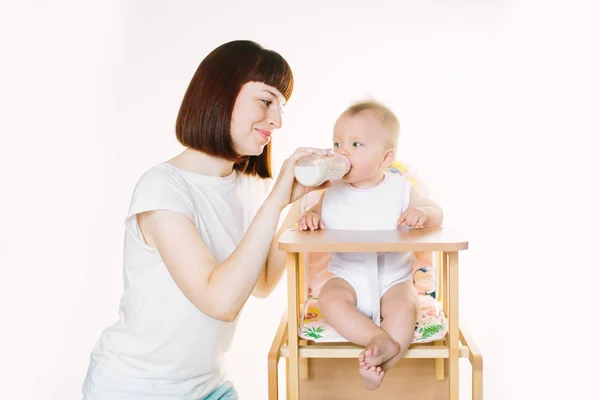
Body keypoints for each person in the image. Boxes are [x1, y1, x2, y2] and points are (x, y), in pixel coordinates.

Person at [82, 40, 330, 400]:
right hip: (134, 387)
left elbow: (260, 282)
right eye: (266, 101)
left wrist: (300, 200)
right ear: (222, 92)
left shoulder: (247, 186)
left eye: (281, 107)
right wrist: (276, 200)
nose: (277, 120)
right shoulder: (162, 189)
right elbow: (220, 301)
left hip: (207, 387)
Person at [297, 100, 444, 390]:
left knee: (406, 307)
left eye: (355, 144)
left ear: (386, 158)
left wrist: (423, 214)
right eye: (337, 143)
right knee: (329, 300)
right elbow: (315, 214)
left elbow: (437, 213)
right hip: (346, 278)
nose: (342, 152)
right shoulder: (331, 190)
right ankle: (376, 340)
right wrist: (310, 218)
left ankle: (380, 362)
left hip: (394, 279)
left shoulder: (401, 189)